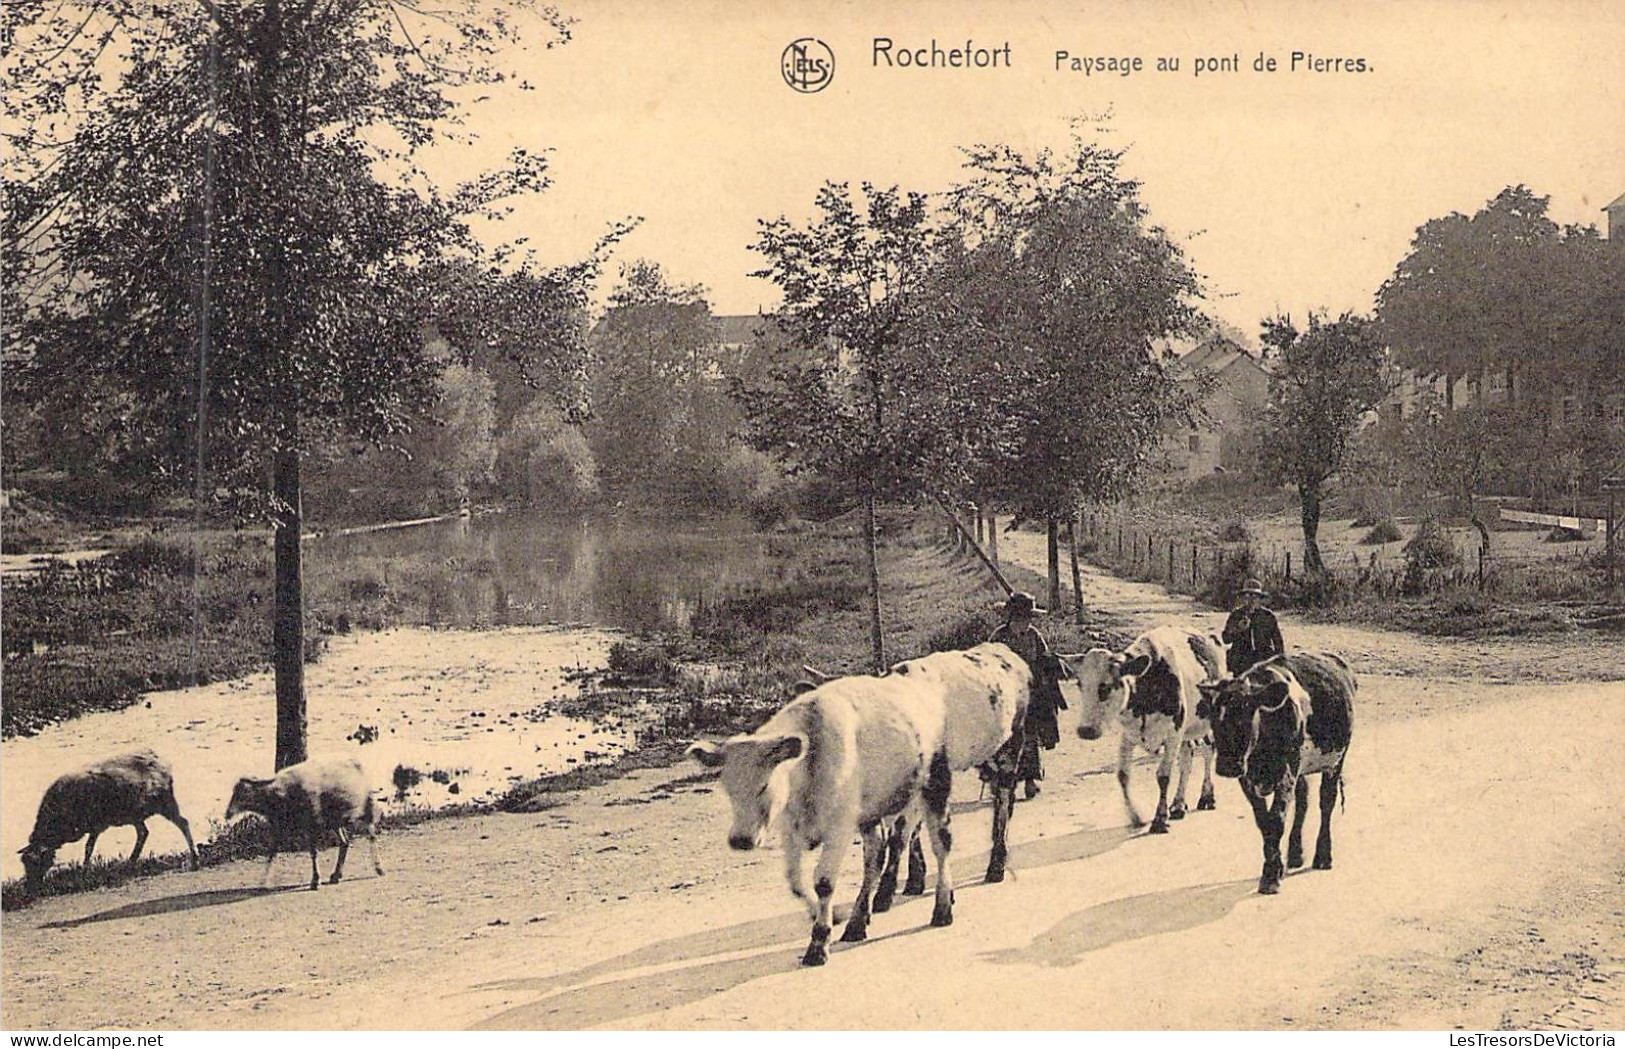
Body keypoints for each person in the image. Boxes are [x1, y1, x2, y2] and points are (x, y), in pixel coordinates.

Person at [989, 591, 1067, 799]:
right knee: (1004, 738)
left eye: (1028, 618)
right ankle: (1004, 782)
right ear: (1014, 617)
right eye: (1024, 618)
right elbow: (987, 663)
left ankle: (1030, 780)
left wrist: (1050, 667)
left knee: (1030, 737)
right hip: (1006, 694)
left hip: (1029, 693)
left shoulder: (1033, 635)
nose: (1027, 622)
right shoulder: (999, 637)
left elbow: (1044, 657)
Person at [1222, 578, 1284, 675]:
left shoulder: (1268, 616)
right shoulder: (1236, 615)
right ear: (1242, 599)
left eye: (1254, 596)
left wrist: (1279, 660)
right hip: (1241, 661)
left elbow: (1278, 642)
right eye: (1247, 596)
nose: (1251, 600)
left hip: (1263, 660)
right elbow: (1225, 639)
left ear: (1260, 599)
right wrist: (1238, 629)